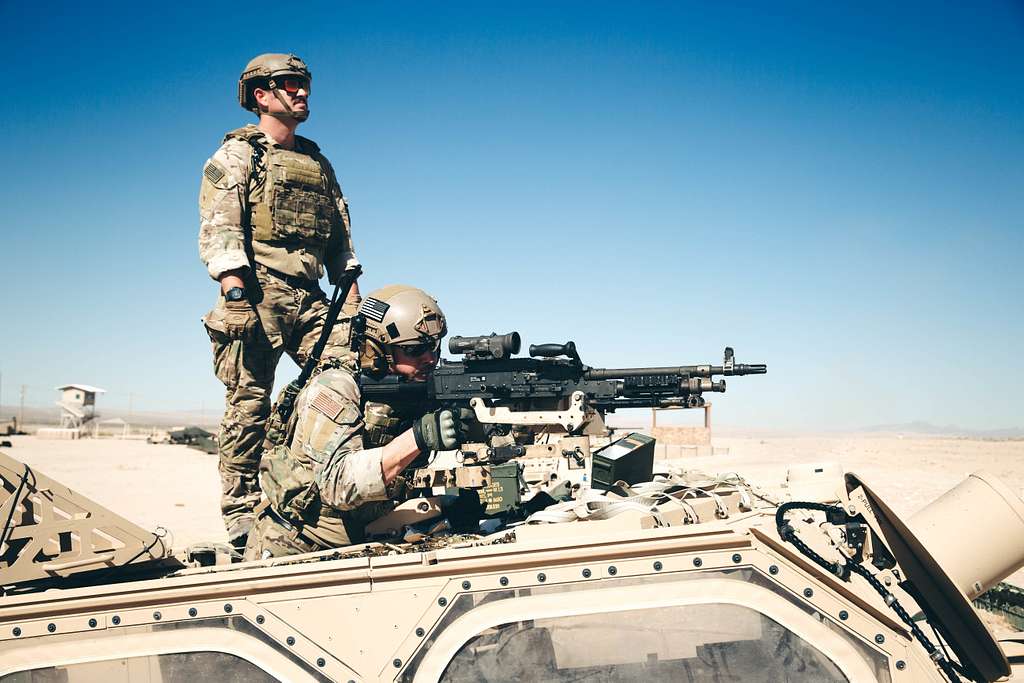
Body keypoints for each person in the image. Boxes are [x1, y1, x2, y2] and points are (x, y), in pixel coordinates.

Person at [198, 53, 361, 551]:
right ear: (261, 95)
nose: (302, 92)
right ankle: (241, 512)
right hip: (258, 292)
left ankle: (323, 491)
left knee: (345, 385)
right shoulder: (238, 157)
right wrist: (234, 292)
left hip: (312, 297)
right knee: (248, 404)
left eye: (305, 84)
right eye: (289, 84)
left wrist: (351, 292)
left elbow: (339, 235)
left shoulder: (317, 163)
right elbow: (221, 227)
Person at [244, 285, 476, 560]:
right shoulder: (333, 388)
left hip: (369, 539)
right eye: (415, 349)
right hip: (299, 549)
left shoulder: (420, 384)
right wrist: (418, 437)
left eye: (434, 346)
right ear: (376, 349)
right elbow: (336, 484)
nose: (430, 358)